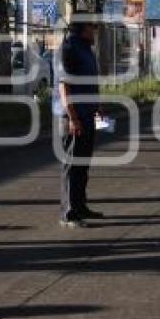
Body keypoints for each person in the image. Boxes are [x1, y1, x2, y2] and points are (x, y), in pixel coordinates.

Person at [54, 14, 104, 228]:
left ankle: (80, 206)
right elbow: (64, 86)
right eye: (92, 27)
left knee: (82, 165)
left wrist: (97, 105)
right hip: (72, 117)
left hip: (86, 114)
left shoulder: (86, 49)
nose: (95, 31)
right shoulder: (68, 49)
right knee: (72, 165)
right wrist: (73, 118)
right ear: (83, 28)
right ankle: (69, 213)